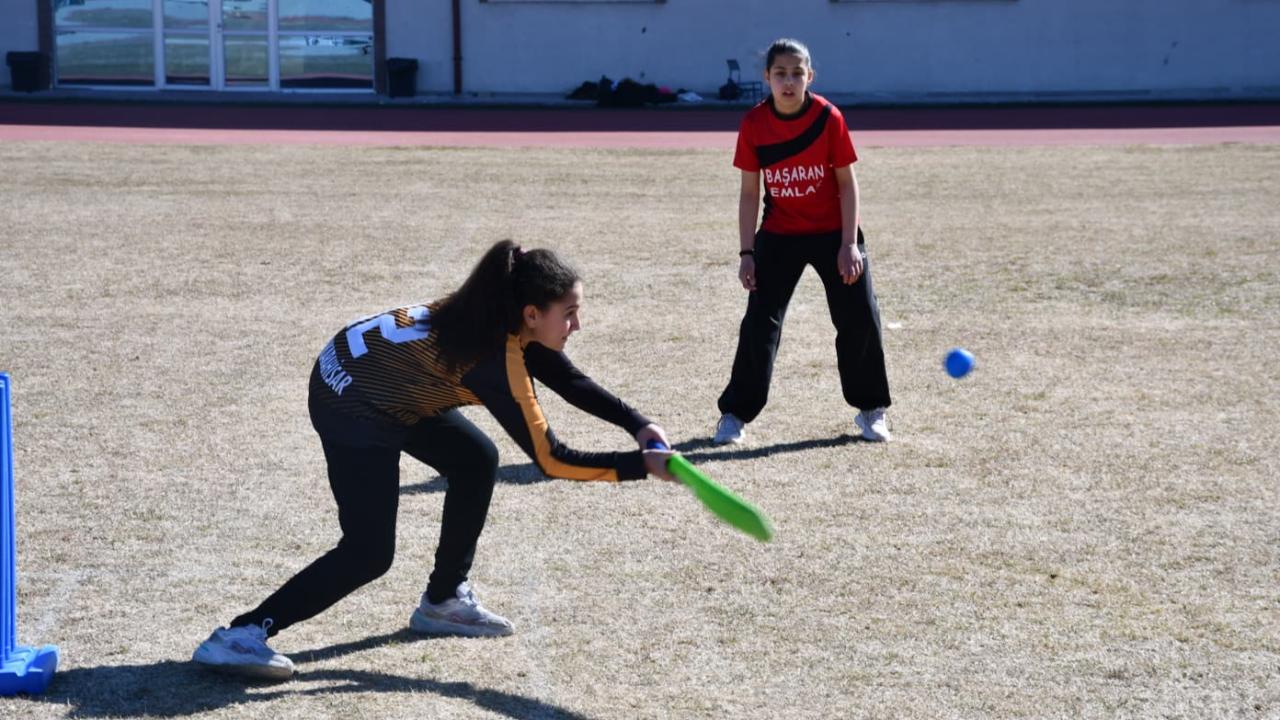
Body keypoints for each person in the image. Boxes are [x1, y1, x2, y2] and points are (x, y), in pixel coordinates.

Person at [193, 240, 676, 680]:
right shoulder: (495, 360)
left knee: (475, 458)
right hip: (350, 399)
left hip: (375, 381)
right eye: (569, 313)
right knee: (368, 553)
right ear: (532, 313)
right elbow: (552, 460)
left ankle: (443, 601)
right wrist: (641, 466)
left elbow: (567, 379)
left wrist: (638, 424)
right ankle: (242, 635)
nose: (577, 325)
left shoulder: (502, 313)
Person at [714, 38, 893, 445]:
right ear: (767, 78)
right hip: (779, 234)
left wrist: (849, 244)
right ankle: (734, 415)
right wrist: (746, 253)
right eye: (781, 73)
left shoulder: (828, 118)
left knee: (859, 316)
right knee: (760, 323)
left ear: (810, 76)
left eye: (797, 73)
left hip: (834, 233)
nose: (789, 81)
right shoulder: (754, 124)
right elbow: (748, 193)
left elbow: (847, 184)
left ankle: (871, 411)